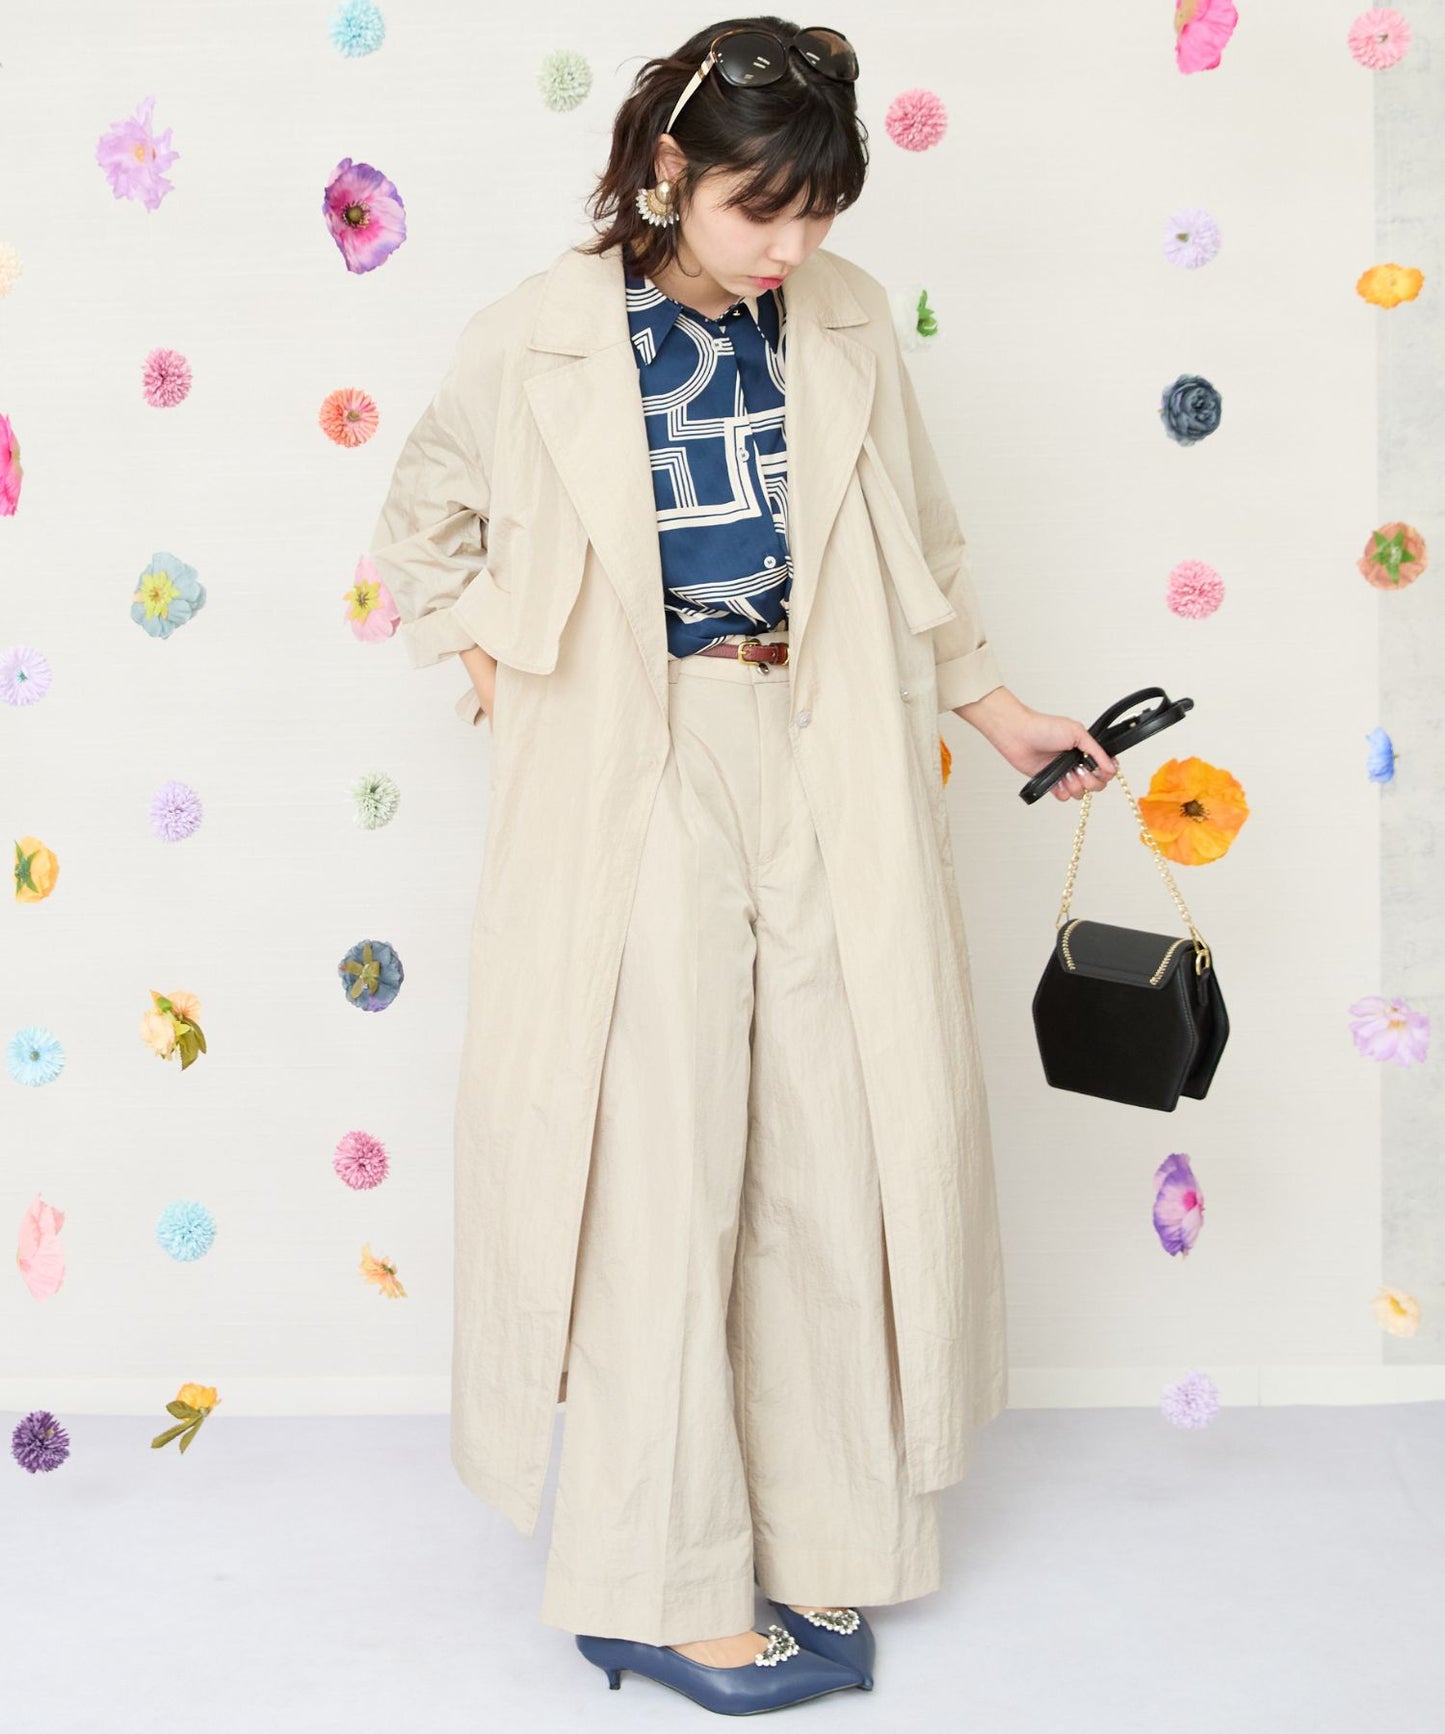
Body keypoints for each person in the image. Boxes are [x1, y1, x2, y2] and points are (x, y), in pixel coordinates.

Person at [369, 16, 1118, 1717]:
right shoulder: (535, 335)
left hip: (828, 736)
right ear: (668, 174)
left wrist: (1000, 712)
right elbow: (423, 529)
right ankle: (654, 1579)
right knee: (659, 1155)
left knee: (828, 1139)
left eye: (818, 209)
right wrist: (510, 678)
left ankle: (813, 1527)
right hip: (643, 753)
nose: (791, 243)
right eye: (758, 209)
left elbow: (922, 542)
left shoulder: (840, 317)